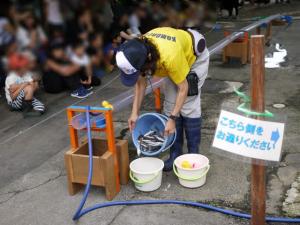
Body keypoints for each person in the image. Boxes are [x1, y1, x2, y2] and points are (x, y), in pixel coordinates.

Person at [115, 27, 209, 171]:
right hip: (175, 58)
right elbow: (141, 84)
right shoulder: (137, 51)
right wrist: (134, 112)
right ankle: (175, 155)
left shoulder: (169, 57)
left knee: (188, 104)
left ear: (147, 61)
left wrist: (172, 119)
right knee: (170, 104)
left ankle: (193, 156)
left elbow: (184, 88)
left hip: (194, 56)